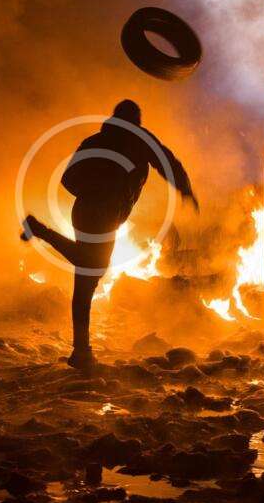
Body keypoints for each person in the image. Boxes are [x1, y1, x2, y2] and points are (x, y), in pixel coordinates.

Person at [21, 100, 198, 369]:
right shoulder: (138, 139)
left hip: (85, 210)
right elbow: (166, 162)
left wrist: (90, 191)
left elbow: (67, 178)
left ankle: (81, 351)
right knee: (92, 270)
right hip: (104, 214)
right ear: (135, 121)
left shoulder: (94, 141)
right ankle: (40, 230)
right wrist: (184, 189)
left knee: (86, 277)